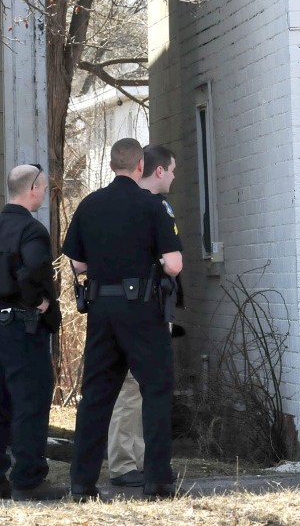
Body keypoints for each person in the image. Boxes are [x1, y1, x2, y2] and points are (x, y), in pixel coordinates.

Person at [62, 138, 183, 500]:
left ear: (113, 164)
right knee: (156, 390)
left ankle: (82, 484)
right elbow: (174, 264)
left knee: (96, 396)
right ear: (141, 167)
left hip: (101, 310)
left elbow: (78, 264)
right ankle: (158, 481)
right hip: (142, 309)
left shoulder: (89, 204)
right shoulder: (153, 206)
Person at [0, 164, 67, 501]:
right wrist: (37, 302)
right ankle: (28, 480)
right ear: (33, 188)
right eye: (44, 187)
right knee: (30, 401)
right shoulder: (31, 230)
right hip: (24, 327)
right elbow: (34, 269)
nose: (45, 193)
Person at [106, 144, 178, 488]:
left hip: (147, 305)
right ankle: (123, 464)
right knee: (132, 387)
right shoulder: (144, 207)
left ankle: (141, 461)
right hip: (137, 309)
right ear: (157, 171)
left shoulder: (146, 206)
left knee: (141, 388)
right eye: (172, 170)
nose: (175, 177)